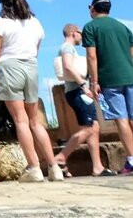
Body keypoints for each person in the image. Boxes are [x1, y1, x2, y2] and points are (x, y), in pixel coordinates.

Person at [0, 0, 63, 183]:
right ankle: (54, 167)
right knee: (35, 121)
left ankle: (34, 167)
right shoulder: (35, 22)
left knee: (20, 120)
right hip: (31, 65)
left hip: (9, 66)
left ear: (3, 3)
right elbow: (36, 49)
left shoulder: (2, 21)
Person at [53, 24, 114, 177]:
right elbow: (68, 66)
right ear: (73, 33)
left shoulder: (68, 48)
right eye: (80, 33)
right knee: (88, 128)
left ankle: (97, 167)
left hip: (77, 91)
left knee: (94, 127)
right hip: (77, 92)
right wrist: (83, 85)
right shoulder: (67, 47)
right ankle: (60, 157)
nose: (82, 37)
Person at [83, 0, 133, 175]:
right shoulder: (122, 27)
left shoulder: (90, 27)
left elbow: (91, 56)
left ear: (93, 9)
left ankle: (131, 161)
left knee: (121, 119)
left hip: (110, 79)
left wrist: (94, 81)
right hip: (130, 76)